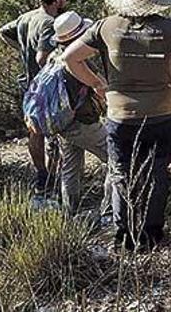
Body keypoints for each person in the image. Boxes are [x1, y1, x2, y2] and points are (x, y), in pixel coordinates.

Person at [62, 0, 171, 250]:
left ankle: (125, 235)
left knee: (121, 173)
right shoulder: (170, 29)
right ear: (157, 1)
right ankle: (152, 234)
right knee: (157, 173)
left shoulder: (105, 27)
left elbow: (70, 58)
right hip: (160, 113)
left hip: (120, 117)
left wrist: (97, 84)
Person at [0, 0, 70, 192]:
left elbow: (2, 32)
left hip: (29, 84)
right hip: (47, 88)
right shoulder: (49, 23)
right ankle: (52, 179)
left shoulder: (25, 18)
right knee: (57, 131)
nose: (66, 2)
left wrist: (21, 48)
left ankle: (41, 175)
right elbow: (41, 57)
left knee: (34, 131)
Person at [48, 11, 112, 216]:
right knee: (116, 160)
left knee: (70, 169)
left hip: (62, 123)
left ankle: (70, 213)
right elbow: (101, 88)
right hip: (84, 123)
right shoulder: (78, 59)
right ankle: (109, 211)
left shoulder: (54, 57)